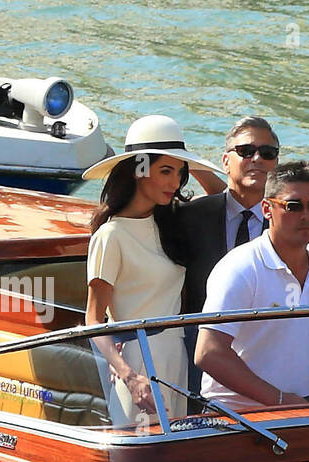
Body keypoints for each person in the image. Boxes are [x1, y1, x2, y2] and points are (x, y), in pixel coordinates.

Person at [81, 115, 221, 423]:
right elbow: (93, 320)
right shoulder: (111, 235)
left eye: (180, 174)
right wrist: (129, 376)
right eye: (165, 171)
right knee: (145, 457)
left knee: (177, 457)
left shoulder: (169, 223)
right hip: (136, 362)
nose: (175, 183)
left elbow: (224, 202)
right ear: (138, 171)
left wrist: (187, 161)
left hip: (176, 355)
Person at [195, 161, 309, 407]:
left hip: (297, 410)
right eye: (293, 206)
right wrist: (281, 401)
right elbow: (209, 353)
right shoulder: (240, 268)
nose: (306, 216)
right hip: (233, 415)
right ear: (266, 209)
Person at [176, 116, 309, 314]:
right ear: (226, 162)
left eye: (268, 153)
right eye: (245, 151)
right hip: (200, 332)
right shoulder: (191, 216)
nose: (257, 159)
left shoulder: (297, 219)